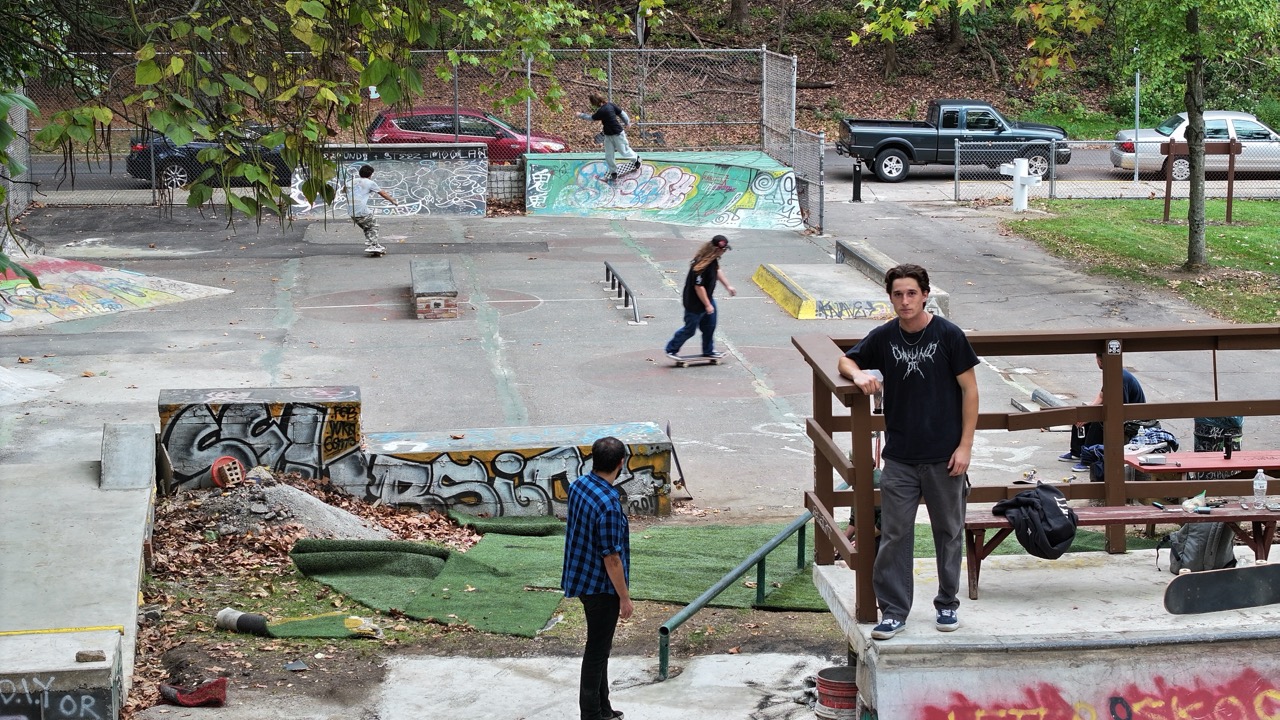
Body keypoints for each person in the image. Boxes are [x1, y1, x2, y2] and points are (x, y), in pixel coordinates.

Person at [837, 264, 979, 640]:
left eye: (911, 293)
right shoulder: (884, 337)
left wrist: (965, 446)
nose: (904, 301)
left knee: (948, 532)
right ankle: (894, 611)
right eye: (897, 294)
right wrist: (859, 375)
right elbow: (846, 359)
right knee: (895, 533)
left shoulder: (949, 335)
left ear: (925, 294)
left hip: (945, 456)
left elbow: (971, 391)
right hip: (900, 457)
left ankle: (947, 603)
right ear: (890, 297)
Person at [562, 436, 632, 720]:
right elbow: (611, 558)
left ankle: (604, 709)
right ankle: (591, 714)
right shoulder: (609, 506)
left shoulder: (579, 485)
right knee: (597, 652)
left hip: (580, 578)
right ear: (621, 463)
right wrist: (624, 598)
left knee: (600, 648)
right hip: (601, 588)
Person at [1058, 354, 1146, 473]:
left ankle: (1088, 460)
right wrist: (1086, 413)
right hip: (1119, 410)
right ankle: (1076, 452)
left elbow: (1119, 408)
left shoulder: (1119, 378)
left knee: (1098, 420)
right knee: (1083, 414)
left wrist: (1091, 416)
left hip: (1134, 419)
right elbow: (1101, 396)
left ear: (1100, 360)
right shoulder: (1111, 372)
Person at [664, 235, 737, 361]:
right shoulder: (701, 265)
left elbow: (718, 271)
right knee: (689, 330)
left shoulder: (713, 261)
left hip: (707, 299)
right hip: (695, 303)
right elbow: (699, 287)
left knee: (710, 326)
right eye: (723, 250)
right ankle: (671, 349)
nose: (724, 252)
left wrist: (728, 286)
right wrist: (708, 305)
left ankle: (708, 351)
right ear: (715, 249)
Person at [577, 93, 640, 180]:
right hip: (608, 135)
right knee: (609, 155)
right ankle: (613, 171)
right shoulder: (610, 105)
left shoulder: (602, 111)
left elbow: (591, 118)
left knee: (623, 151)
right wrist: (627, 122)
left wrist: (580, 115)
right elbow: (622, 114)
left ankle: (636, 159)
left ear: (595, 103)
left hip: (617, 134)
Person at [343, 164, 397, 255]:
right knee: (373, 225)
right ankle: (372, 245)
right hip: (361, 211)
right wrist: (392, 200)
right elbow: (382, 193)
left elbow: (344, 190)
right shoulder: (369, 183)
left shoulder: (350, 182)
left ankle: (374, 244)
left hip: (351, 211)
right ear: (370, 174)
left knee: (367, 227)